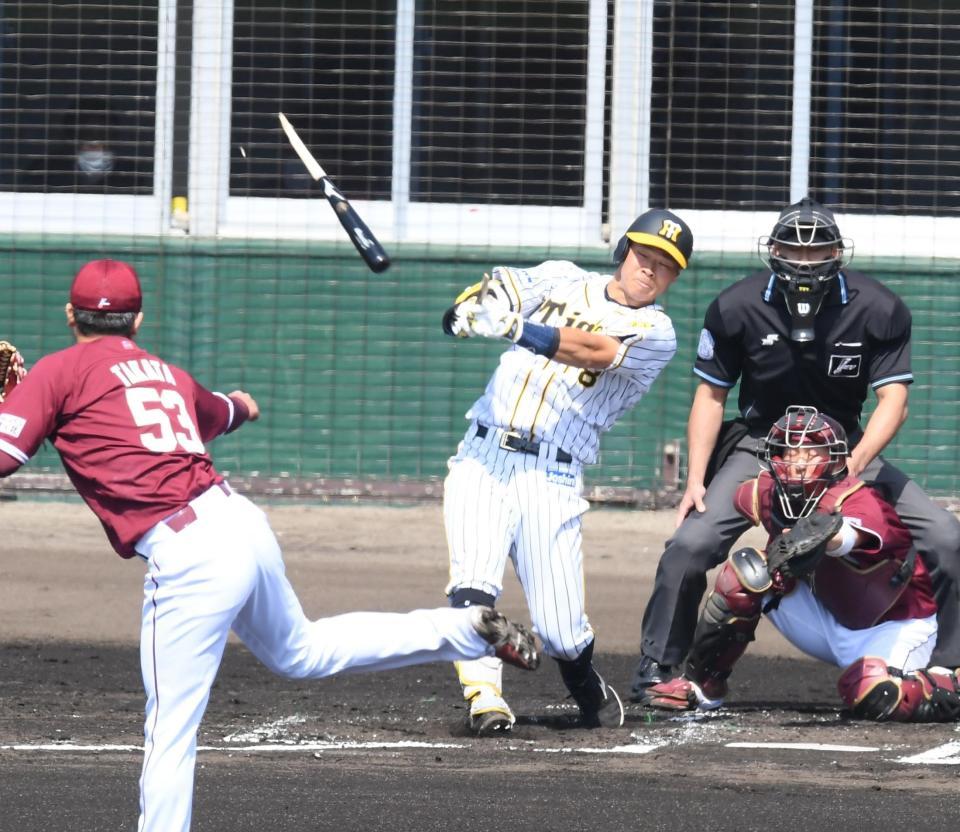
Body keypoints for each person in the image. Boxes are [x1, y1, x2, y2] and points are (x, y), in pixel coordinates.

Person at [0, 259, 541, 832]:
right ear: (138, 319)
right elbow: (233, 409)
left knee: (171, 728)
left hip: (189, 554)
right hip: (239, 522)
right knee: (300, 651)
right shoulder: (165, 373)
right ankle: (462, 629)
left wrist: (21, 405)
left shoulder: (55, 375)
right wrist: (241, 403)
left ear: (69, 314)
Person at [630, 196, 960, 702]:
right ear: (773, 249)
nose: (804, 261)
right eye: (793, 248)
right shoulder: (736, 305)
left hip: (844, 449)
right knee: (689, 545)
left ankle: (950, 668)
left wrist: (855, 462)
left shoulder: (879, 307)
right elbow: (710, 396)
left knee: (946, 537)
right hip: (762, 446)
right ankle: (662, 667)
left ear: (837, 253)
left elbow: (895, 401)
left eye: (818, 250)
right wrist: (694, 480)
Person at [439, 208, 694, 733]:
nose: (650, 270)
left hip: (552, 474)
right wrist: (472, 308)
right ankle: (485, 698)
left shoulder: (656, 331)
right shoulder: (563, 276)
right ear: (623, 250)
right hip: (482, 455)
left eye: (664, 266)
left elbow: (594, 350)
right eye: (644, 255)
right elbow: (504, 287)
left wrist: (512, 325)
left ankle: (584, 683)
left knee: (560, 631)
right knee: (472, 583)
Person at [643, 406, 960, 722]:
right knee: (746, 574)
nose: (798, 462)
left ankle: (948, 687)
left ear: (834, 460)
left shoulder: (856, 498)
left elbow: (849, 536)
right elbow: (742, 496)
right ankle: (703, 687)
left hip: (894, 626)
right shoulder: (767, 492)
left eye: (811, 452)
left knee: (874, 695)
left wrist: (824, 537)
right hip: (827, 619)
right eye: (790, 452)